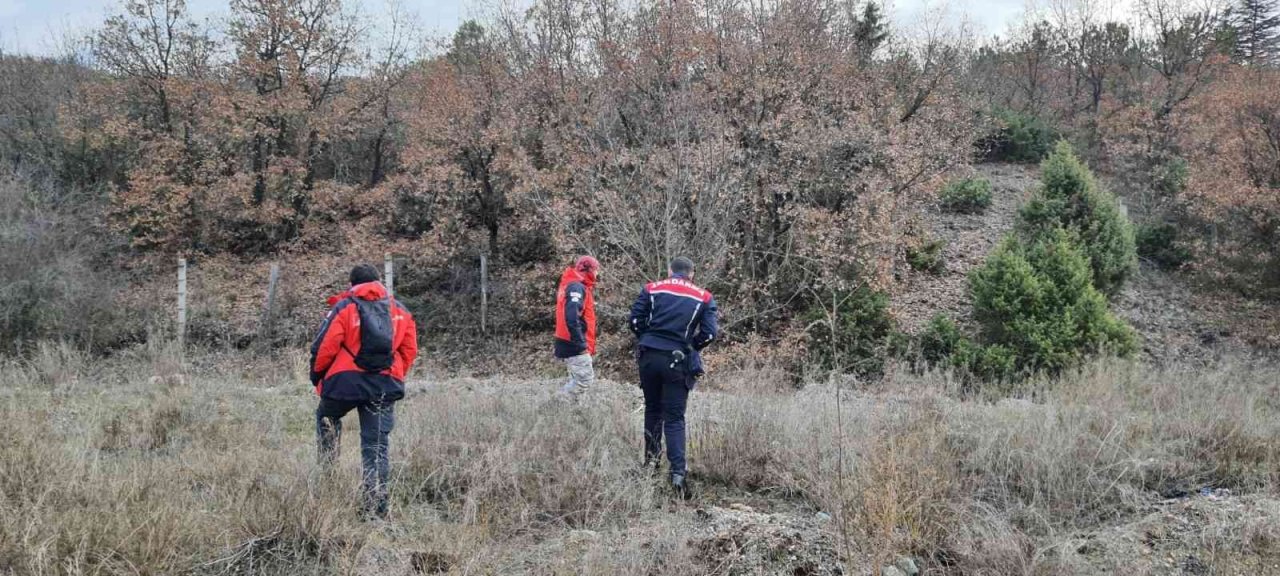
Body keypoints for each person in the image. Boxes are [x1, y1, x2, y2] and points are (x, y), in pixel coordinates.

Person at [310, 264, 418, 520]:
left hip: (343, 383)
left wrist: (318, 377)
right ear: (380, 282)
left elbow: (324, 347)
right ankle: (375, 508)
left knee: (327, 418)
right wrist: (395, 373)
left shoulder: (345, 307)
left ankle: (328, 480)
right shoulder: (400, 310)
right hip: (384, 384)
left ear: (351, 284)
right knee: (376, 445)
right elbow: (409, 350)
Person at [628, 256, 718, 497]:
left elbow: (634, 320)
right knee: (675, 418)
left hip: (649, 356)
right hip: (678, 359)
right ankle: (677, 474)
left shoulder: (651, 289)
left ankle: (650, 465)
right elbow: (710, 333)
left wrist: (648, 338)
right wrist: (692, 346)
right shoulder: (704, 297)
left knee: (652, 410)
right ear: (692, 273)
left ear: (670, 271)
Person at [554, 256, 600, 401]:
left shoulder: (573, 284)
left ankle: (572, 416)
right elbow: (571, 317)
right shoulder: (576, 287)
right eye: (596, 270)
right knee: (583, 380)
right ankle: (555, 405)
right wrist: (581, 344)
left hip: (568, 340)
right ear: (589, 270)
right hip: (573, 342)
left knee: (576, 381)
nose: (598, 274)